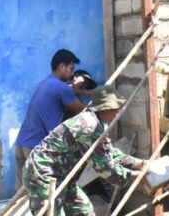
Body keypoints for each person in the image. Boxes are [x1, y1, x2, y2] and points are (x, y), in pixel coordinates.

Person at [22, 85, 147, 215]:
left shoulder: (94, 122)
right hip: (44, 173)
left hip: (63, 174)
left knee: (83, 211)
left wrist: (140, 163)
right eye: (115, 109)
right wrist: (132, 175)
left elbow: (109, 152)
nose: (117, 113)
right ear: (105, 108)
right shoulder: (89, 126)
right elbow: (103, 166)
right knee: (51, 212)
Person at [15, 49, 86, 189]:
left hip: (21, 144)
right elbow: (83, 110)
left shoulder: (44, 83)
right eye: (71, 69)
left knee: (22, 194)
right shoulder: (62, 88)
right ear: (61, 66)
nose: (72, 74)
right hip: (36, 148)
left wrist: (76, 90)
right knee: (44, 194)